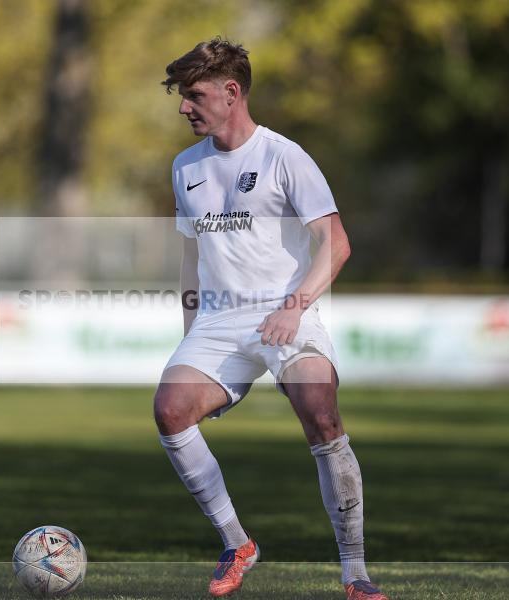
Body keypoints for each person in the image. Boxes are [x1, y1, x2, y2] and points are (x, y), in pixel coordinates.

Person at [155, 38, 389, 600]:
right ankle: (237, 544)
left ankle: (355, 573)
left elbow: (336, 244)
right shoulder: (185, 168)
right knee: (170, 410)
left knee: (320, 411)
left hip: (288, 312)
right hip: (219, 321)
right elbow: (190, 258)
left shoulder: (285, 157)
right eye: (183, 97)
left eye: (194, 95)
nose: (185, 107)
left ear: (231, 92)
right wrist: (192, 333)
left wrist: (294, 306)